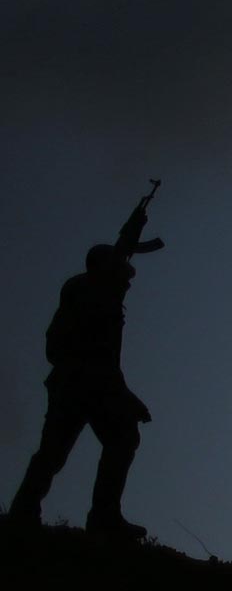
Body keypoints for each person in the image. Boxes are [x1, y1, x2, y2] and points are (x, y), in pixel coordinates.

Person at [8, 185, 164, 540]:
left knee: (81, 445)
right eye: (122, 276)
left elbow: (105, 357)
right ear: (106, 270)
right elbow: (96, 355)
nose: (128, 283)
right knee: (77, 446)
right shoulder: (92, 293)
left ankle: (45, 512)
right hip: (83, 382)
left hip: (86, 381)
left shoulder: (96, 294)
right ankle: (92, 516)